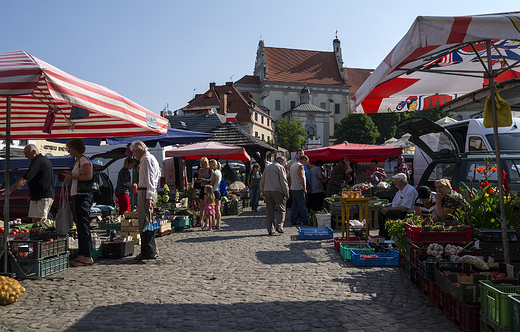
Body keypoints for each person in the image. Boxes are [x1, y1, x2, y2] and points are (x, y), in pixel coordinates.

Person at [0, 144, 54, 225]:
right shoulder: (43, 160)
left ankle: (44, 236)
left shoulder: (38, 161)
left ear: (34, 152)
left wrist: (9, 190)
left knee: (41, 222)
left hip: (42, 196)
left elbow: (25, 179)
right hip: (38, 197)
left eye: (27, 153)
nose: (25, 156)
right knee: (36, 222)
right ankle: (38, 236)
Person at [61, 139, 94, 266]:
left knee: (84, 225)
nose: (68, 151)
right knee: (80, 225)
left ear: (75, 148)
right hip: (78, 195)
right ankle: (82, 253)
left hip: (82, 196)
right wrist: (70, 174)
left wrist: (71, 177)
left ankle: (88, 255)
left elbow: (88, 176)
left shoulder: (83, 160)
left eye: (69, 148)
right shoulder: (78, 161)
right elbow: (80, 174)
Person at [131, 140, 161, 260]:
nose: (133, 155)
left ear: (138, 150)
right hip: (145, 191)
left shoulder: (147, 160)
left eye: (134, 152)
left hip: (145, 192)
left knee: (145, 222)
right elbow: (158, 173)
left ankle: (148, 251)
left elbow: (150, 180)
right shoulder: (148, 159)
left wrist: (148, 197)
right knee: (145, 222)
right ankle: (148, 249)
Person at [378, 173, 418, 238]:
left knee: (389, 213)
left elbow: (404, 208)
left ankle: (387, 235)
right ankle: (382, 233)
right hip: (399, 209)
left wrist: (389, 209)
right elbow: (394, 203)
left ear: (401, 181)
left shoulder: (409, 190)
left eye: (396, 180)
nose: (394, 182)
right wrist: (385, 206)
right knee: (381, 211)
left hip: (407, 213)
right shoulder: (400, 190)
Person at [260, 156, 289, 235]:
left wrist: (263, 191)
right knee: (281, 210)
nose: (285, 164)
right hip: (277, 191)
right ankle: (279, 226)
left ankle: (270, 229)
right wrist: (286, 192)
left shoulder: (267, 168)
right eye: (284, 162)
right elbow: (283, 181)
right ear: (281, 161)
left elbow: (262, 181)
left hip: (267, 191)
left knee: (269, 211)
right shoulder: (280, 168)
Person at [289, 154, 309, 226]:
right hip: (299, 188)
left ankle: (293, 220)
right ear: (304, 160)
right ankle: (305, 220)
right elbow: (301, 178)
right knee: (302, 205)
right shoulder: (300, 166)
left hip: (293, 187)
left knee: (294, 205)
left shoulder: (293, 165)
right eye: (306, 162)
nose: (305, 164)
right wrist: (304, 188)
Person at [198, 158, 212, 227]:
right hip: (202, 187)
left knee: (207, 205)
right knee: (201, 205)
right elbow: (199, 179)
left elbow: (212, 179)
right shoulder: (200, 170)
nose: (202, 164)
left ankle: (208, 222)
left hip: (208, 189)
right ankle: (201, 220)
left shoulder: (209, 170)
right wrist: (197, 180)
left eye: (204, 163)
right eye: (201, 163)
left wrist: (205, 179)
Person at [209, 159, 222, 230]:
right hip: (218, 191)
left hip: (214, 191)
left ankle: (213, 224)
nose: (210, 167)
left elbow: (212, 183)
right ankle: (218, 224)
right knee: (218, 209)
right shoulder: (219, 172)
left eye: (210, 166)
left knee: (213, 208)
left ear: (214, 165)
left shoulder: (214, 173)